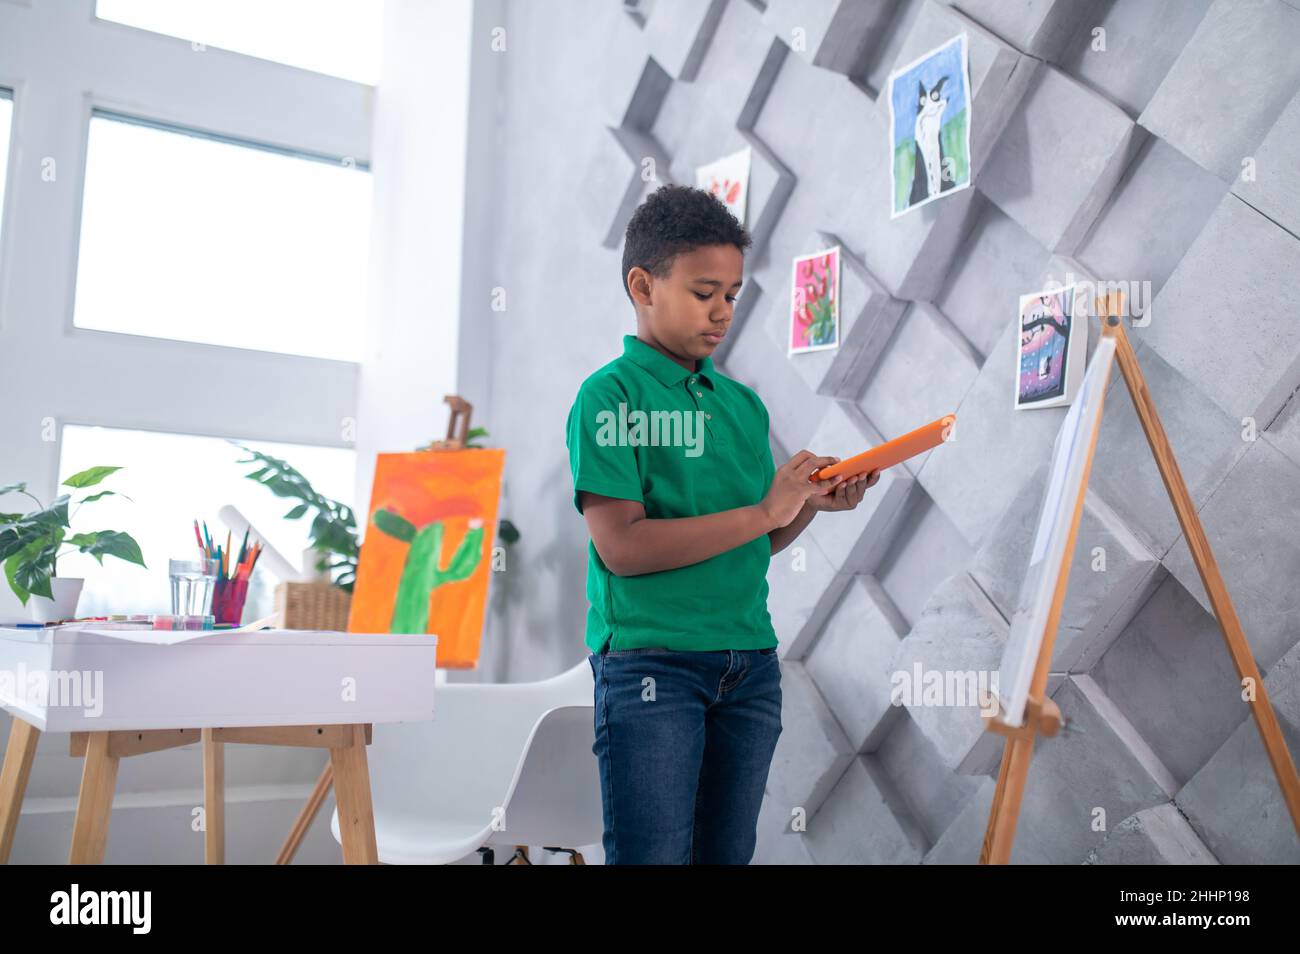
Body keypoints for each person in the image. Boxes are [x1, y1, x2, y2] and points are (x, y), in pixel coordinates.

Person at [564, 183, 879, 864]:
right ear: (643, 286)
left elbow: (753, 542)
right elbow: (622, 547)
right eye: (704, 291)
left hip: (749, 665)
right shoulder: (608, 396)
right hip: (653, 667)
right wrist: (768, 507)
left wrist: (803, 508)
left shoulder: (741, 406)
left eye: (732, 295)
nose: (722, 311)